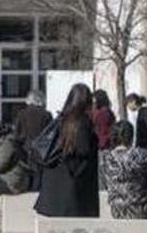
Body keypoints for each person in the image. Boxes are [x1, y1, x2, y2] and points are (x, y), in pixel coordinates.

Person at [34, 83, 100, 218]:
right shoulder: (83, 122)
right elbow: (84, 150)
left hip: (54, 180)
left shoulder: (61, 119)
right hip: (73, 183)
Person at [100, 121, 147, 219]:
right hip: (142, 209)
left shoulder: (106, 158)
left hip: (117, 210)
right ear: (131, 137)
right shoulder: (141, 155)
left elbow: (106, 183)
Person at [14, 90, 52, 191]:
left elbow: (17, 133)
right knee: (39, 175)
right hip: (41, 149)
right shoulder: (47, 114)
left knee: (27, 173)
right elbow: (51, 134)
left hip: (25, 148)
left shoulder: (22, 114)